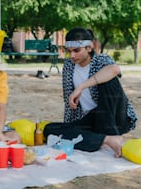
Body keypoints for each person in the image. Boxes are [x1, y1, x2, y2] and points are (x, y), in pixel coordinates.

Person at [43, 27, 138, 158]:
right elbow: (69, 101)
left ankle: (112, 134)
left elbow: (114, 69)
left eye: (76, 50)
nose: (72, 56)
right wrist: (70, 128)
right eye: (69, 51)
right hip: (92, 120)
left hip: (115, 117)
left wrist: (81, 87)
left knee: (109, 81)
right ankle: (106, 139)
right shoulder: (69, 66)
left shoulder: (101, 60)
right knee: (50, 130)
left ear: (89, 47)